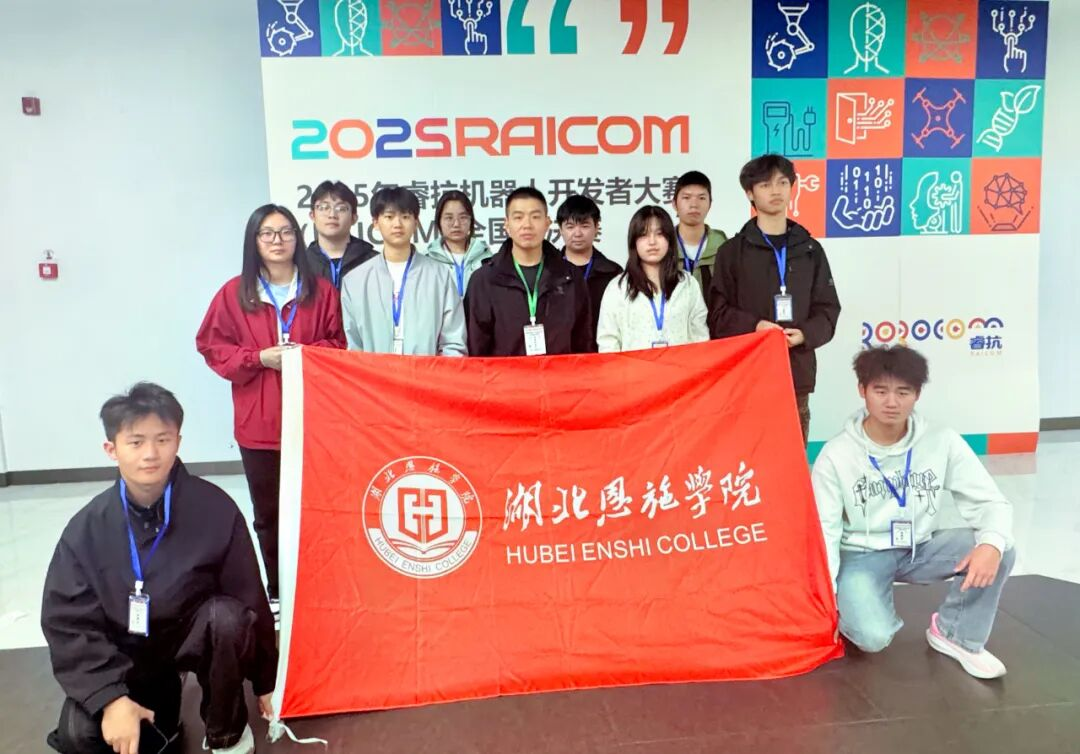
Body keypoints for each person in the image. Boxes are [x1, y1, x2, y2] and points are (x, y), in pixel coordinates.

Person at [41, 383, 277, 754]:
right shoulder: (87, 528)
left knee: (227, 618)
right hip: (125, 652)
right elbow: (67, 622)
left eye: (163, 440)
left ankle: (226, 733)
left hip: (190, 635)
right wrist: (110, 698)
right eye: (136, 442)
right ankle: (161, 715)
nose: (151, 454)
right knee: (78, 737)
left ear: (178, 442)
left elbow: (249, 595)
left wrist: (267, 681)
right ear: (111, 449)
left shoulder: (215, 509)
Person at [812, 346, 1016, 679]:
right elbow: (825, 530)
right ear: (862, 391)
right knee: (872, 637)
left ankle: (955, 634)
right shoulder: (837, 455)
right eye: (880, 391)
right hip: (862, 554)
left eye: (903, 392)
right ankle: (856, 605)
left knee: (1000, 546)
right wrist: (827, 601)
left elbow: (991, 502)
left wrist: (990, 544)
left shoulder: (941, 440)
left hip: (920, 547)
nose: (891, 402)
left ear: (917, 394)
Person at [196, 204, 345, 615]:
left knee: (317, 509)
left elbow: (339, 343)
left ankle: (319, 586)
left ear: (298, 238)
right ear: (254, 241)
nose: (278, 241)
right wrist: (258, 358)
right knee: (269, 514)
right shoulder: (234, 293)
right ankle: (278, 589)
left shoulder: (321, 291)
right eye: (267, 233)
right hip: (258, 424)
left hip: (312, 420)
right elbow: (212, 345)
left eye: (286, 232)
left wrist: (305, 355)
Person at [708, 154, 841, 445]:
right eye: (765, 185)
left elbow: (828, 309)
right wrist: (755, 327)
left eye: (782, 182)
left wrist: (804, 334)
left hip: (795, 375)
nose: (776, 191)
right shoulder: (732, 252)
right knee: (746, 461)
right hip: (746, 376)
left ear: (792, 187)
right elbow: (718, 314)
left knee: (791, 460)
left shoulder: (810, 250)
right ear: (750, 193)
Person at [465, 186, 593, 356]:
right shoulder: (484, 280)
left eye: (535, 217)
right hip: (505, 374)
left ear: (547, 223)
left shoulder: (570, 277)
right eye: (518, 217)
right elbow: (477, 348)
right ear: (506, 224)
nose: (527, 225)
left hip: (560, 373)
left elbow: (583, 343)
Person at [341, 186, 466, 355]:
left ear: (416, 223)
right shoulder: (355, 281)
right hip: (373, 372)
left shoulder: (439, 276)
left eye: (405, 217)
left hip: (426, 371)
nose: (397, 224)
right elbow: (353, 347)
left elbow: (453, 343)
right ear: (375, 222)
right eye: (389, 217)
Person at [596, 205, 708, 352]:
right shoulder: (617, 288)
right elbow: (608, 342)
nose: (652, 242)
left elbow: (700, 337)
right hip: (633, 367)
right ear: (634, 242)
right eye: (644, 235)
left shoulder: (688, 284)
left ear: (669, 240)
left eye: (659, 234)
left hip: (680, 366)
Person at [556, 194, 623, 348]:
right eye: (570, 227)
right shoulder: (549, 272)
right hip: (561, 356)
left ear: (596, 227)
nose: (577, 233)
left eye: (584, 226)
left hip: (603, 354)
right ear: (560, 229)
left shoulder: (613, 273)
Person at [304, 180, 376, 289]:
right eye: (324, 207)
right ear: (312, 215)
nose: (332, 215)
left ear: (354, 218)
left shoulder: (373, 261)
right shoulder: (301, 264)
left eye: (341, 209)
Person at [423, 189, 493, 297]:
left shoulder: (487, 259)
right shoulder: (427, 261)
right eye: (449, 218)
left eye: (463, 217)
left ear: (471, 221)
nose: (456, 224)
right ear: (439, 221)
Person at [671, 170, 728, 293]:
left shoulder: (724, 247)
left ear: (710, 204)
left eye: (701, 198)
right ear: (674, 204)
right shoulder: (664, 246)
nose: (694, 205)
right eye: (686, 197)